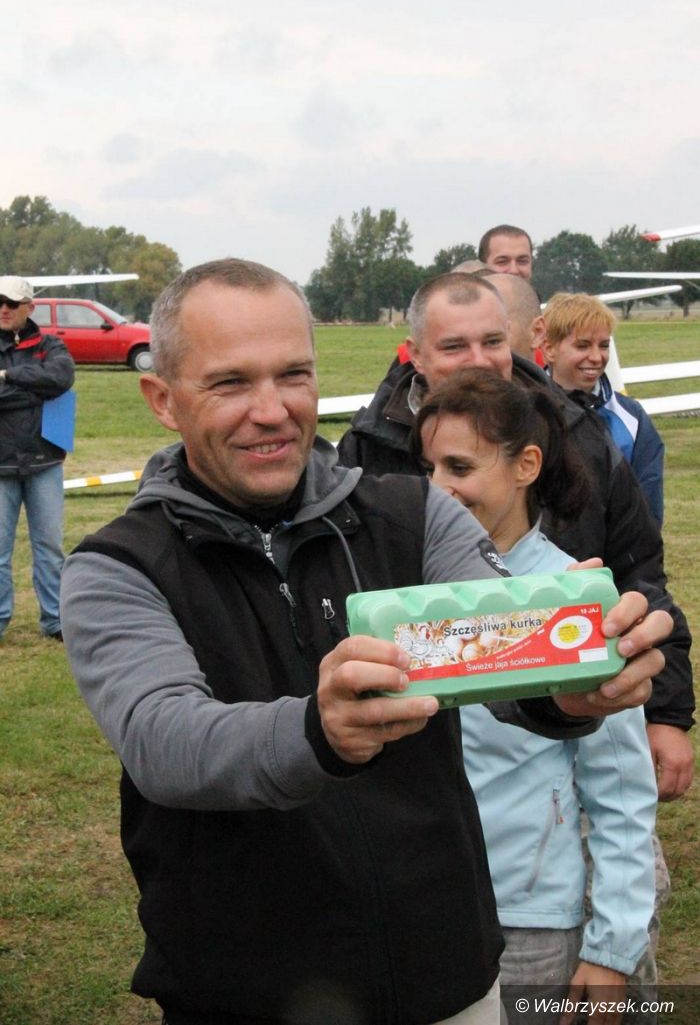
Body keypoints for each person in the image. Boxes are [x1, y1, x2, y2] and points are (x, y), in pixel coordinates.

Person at [60, 258, 669, 1025]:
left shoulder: (415, 514)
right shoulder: (117, 565)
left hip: (449, 978)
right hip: (247, 991)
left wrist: (566, 686)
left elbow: (495, 649)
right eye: (230, 383)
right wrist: (317, 730)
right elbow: (164, 739)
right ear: (162, 399)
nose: (272, 410)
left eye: (293, 374)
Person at [336, 272, 694, 800]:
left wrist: (666, 712)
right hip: (416, 763)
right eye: (455, 346)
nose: (478, 360)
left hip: (557, 743)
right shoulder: (366, 450)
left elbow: (637, 571)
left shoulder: (578, 432)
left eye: (493, 341)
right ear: (415, 353)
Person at [414, 368, 658, 1025]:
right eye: (428, 467)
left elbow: (622, 792)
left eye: (459, 466)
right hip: (433, 912)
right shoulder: (411, 598)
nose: (437, 487)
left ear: (526, 465)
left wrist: (612, 950)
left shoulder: (574, 604)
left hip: (531, 925)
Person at [541, 292, 665, 526]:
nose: (597, 357)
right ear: (549, 349)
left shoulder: (632, 417)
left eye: (604, 346)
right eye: (583, 345)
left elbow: (648, 504)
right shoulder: (527, 411)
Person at [0, 275, 74, 641]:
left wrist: (8, 375)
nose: (3, 309)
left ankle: (56, 620)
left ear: (30, 307)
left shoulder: (50, 345)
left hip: (44, 462)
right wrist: (36, 391)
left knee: (50, 547)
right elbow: (48, 386)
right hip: (1, 465)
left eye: (11, 303)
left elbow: (61, 378)